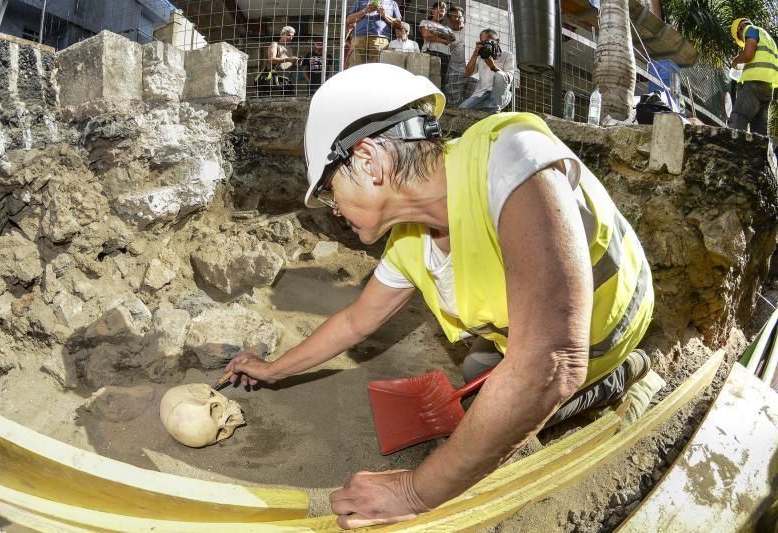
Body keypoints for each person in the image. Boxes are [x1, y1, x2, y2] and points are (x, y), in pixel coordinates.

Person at [226, 64, 654, 528]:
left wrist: (415, 491)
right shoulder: (410, 244)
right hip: (538, 339)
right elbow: (355, 322)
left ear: (369, 162)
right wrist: (272, 370)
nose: (335, 210)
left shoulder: (508, 155)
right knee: (477, 377)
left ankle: (625, 372)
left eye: (330, 193)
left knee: (509, 418)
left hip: (605, 334)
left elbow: (551, 362)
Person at [730, 17, 778, 136]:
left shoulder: (751, 29)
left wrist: (736, 60)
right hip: (767, 89)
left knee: (738, 119)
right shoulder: (769, 39)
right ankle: (757, 154)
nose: (743, 40)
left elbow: (748, 54)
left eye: (741, 38)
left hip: (753, 85)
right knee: (759, 132)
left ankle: (731, 150)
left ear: (740, 28)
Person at [459, 29, 514, 113]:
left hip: (500, 95)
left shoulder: (507, 55)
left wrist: (493, 66)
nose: (488, 45)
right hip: (482, 94)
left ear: (498, 41)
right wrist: (475, 54)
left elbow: (509, 77)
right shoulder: (481, 56)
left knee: (499, 75)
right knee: (462, 109)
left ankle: (494, 109)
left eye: (490, 42)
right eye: (484, 42)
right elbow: (467, 74)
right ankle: (488, 107)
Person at [346, 0, 402, 67]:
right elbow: (349, 20)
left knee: (378, 69)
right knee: (355, 68)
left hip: (380, 40)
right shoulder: (359, 1)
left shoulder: (392, 3)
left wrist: (384, 15)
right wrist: (366, 10)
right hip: (358, 39)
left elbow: (399, 24)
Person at [419, 1, 455, 82]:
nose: (440, 12)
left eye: (443, 11)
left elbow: (452, 38)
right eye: (438, 9)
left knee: (441, 82)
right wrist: (443, 39)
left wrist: (434, 32)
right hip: (431, 52)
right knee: (428, 79)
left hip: (445, 55)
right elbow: (427, 35)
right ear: (432, 11)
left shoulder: (446, 27)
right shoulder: (425, 22)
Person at [263, 26, 300, 96]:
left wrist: (295, 63)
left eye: (292, 36)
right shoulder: (275, 44)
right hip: (275, 79)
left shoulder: (290, 48)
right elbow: (271, 60)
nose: (291, 38)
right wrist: (288, 59)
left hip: (288, 79)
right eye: (288, 35)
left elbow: (290, 67)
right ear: (282, 34)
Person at [444, 5, 468, 106]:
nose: (458, 19)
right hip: (455, 69)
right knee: (454, 99)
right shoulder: (446, 31)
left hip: (473, 70)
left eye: (460, 16)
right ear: (449, 19)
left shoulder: (471, 29)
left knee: (470, 99)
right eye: (454, 17)